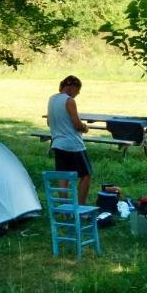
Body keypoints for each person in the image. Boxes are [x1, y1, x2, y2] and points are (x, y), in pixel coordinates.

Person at [47, 74, 93, 204]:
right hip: (73, 145)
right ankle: (80, 207)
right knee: (86, 175)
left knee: (63, 177)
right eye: (78, 91)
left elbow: (49, 122)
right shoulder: (69, 100)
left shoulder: (52, 99)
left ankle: (65, 210)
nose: (77, 94)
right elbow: (76, 124)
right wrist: (85, 127)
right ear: (73, 87)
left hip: (57, 143)